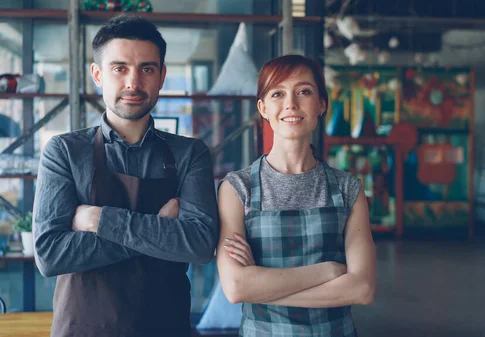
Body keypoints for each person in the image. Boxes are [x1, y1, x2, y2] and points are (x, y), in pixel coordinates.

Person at [33, 15, 219, 337]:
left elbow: (200, 245)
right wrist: (158, 227)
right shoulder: (64, 151)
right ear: (98, 75)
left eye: (147, 69)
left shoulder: (190, 154)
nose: (133, 82)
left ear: (161, 76)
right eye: (119, 68)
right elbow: (50, 254)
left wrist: (100, 220)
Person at [217, 54, 376, 337]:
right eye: (278, 93)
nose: (291, 103)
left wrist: (262, 288)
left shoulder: (348, 188)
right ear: (263, 108)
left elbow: (362, 289)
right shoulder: (237, 188)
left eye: (304, 91)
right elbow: (236, 287)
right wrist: (327, 272)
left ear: (321, 104)